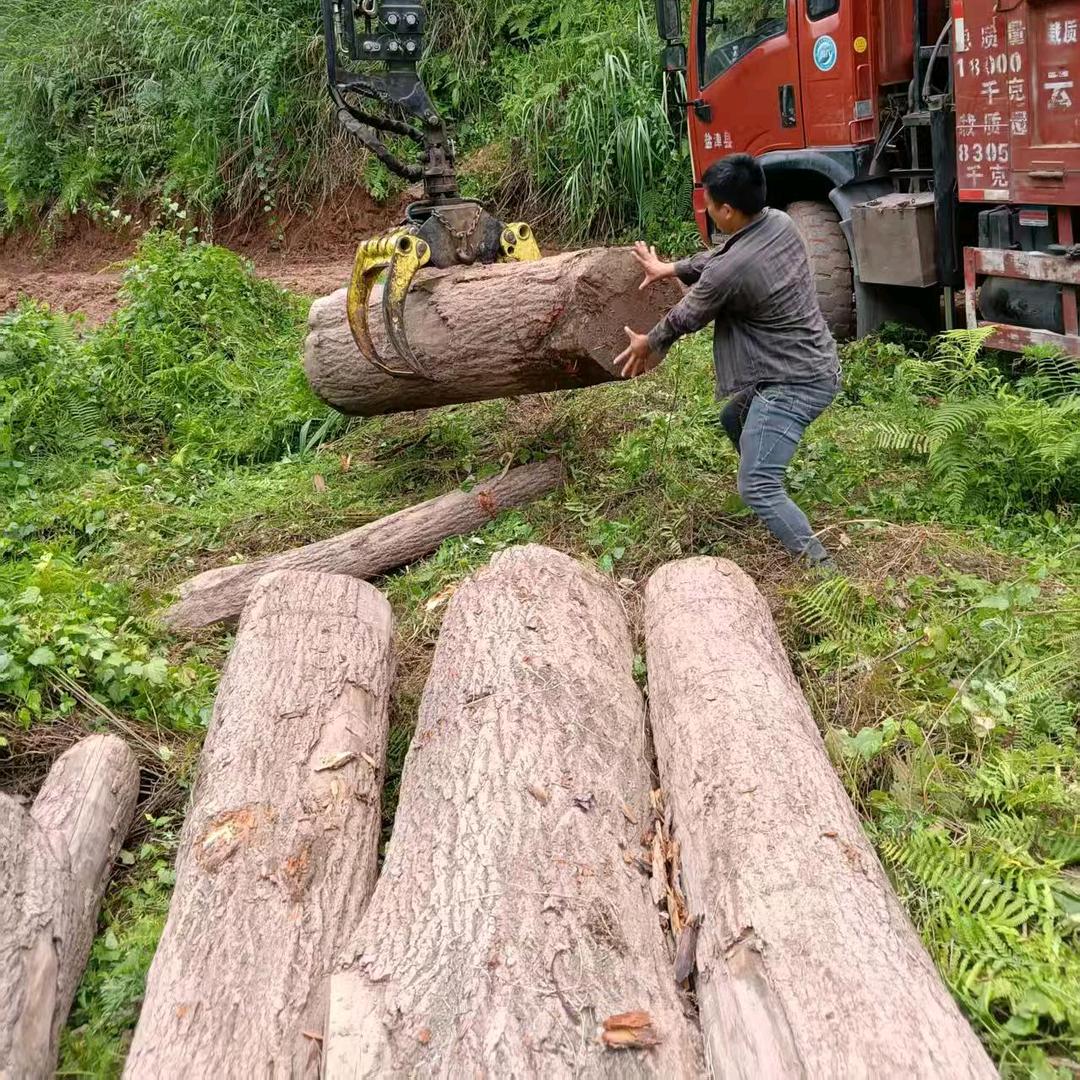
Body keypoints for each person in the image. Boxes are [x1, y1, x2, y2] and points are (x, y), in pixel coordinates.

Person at [616, 152, 840, 567]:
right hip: (808, 360)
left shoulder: (732, 270)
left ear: (728, 209)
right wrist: (670, 268)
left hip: (797, 381)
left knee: (755, 485)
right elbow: (720, 258)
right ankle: (770, 495)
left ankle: (822, 568)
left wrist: (649, 342)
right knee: (733, 419)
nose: (707, 210)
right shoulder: (777, 223)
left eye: (709, 204)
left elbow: (687, 315)